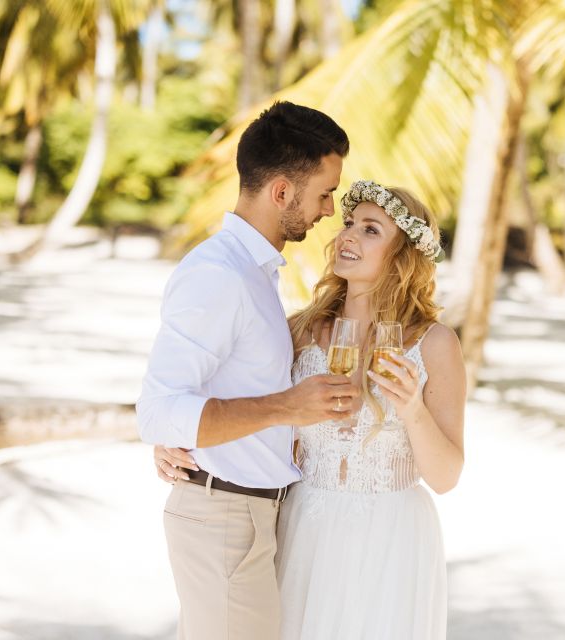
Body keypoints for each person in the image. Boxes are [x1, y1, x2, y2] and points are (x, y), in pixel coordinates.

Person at [157, 179, 466, 639]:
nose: (347, 236)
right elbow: (238, 400)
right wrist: (176, 434)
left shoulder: (434, 344)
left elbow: (445, 477)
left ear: (403, 254)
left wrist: (412, 409)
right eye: (348, 224)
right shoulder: (300, 331)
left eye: (370, 229)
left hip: (392, 538)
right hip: (303, 524)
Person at [136, 101, 359, 640]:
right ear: (281, 191)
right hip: (224, 520)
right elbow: (159, 410)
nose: (329, 210)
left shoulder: (253, 273)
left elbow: (199, 393)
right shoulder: (220, 274)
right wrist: (288, 407)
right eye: (324, 193)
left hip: (247, 518)